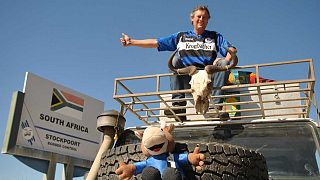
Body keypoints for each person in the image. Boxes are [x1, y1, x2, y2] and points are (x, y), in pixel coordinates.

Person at [120, 5, 237, 120]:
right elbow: (156, 42)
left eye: (205, 17)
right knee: (176, 59)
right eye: (199, 16)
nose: (201, 19)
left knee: (223, 63)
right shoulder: (181, 36)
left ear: (208, 20)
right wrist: (132, 42)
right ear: (192, 19)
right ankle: (178, 106)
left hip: (208, 77)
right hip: (187, 77)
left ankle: (215, 107)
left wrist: (225, 59)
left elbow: (231, 50)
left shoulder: (215, 36)